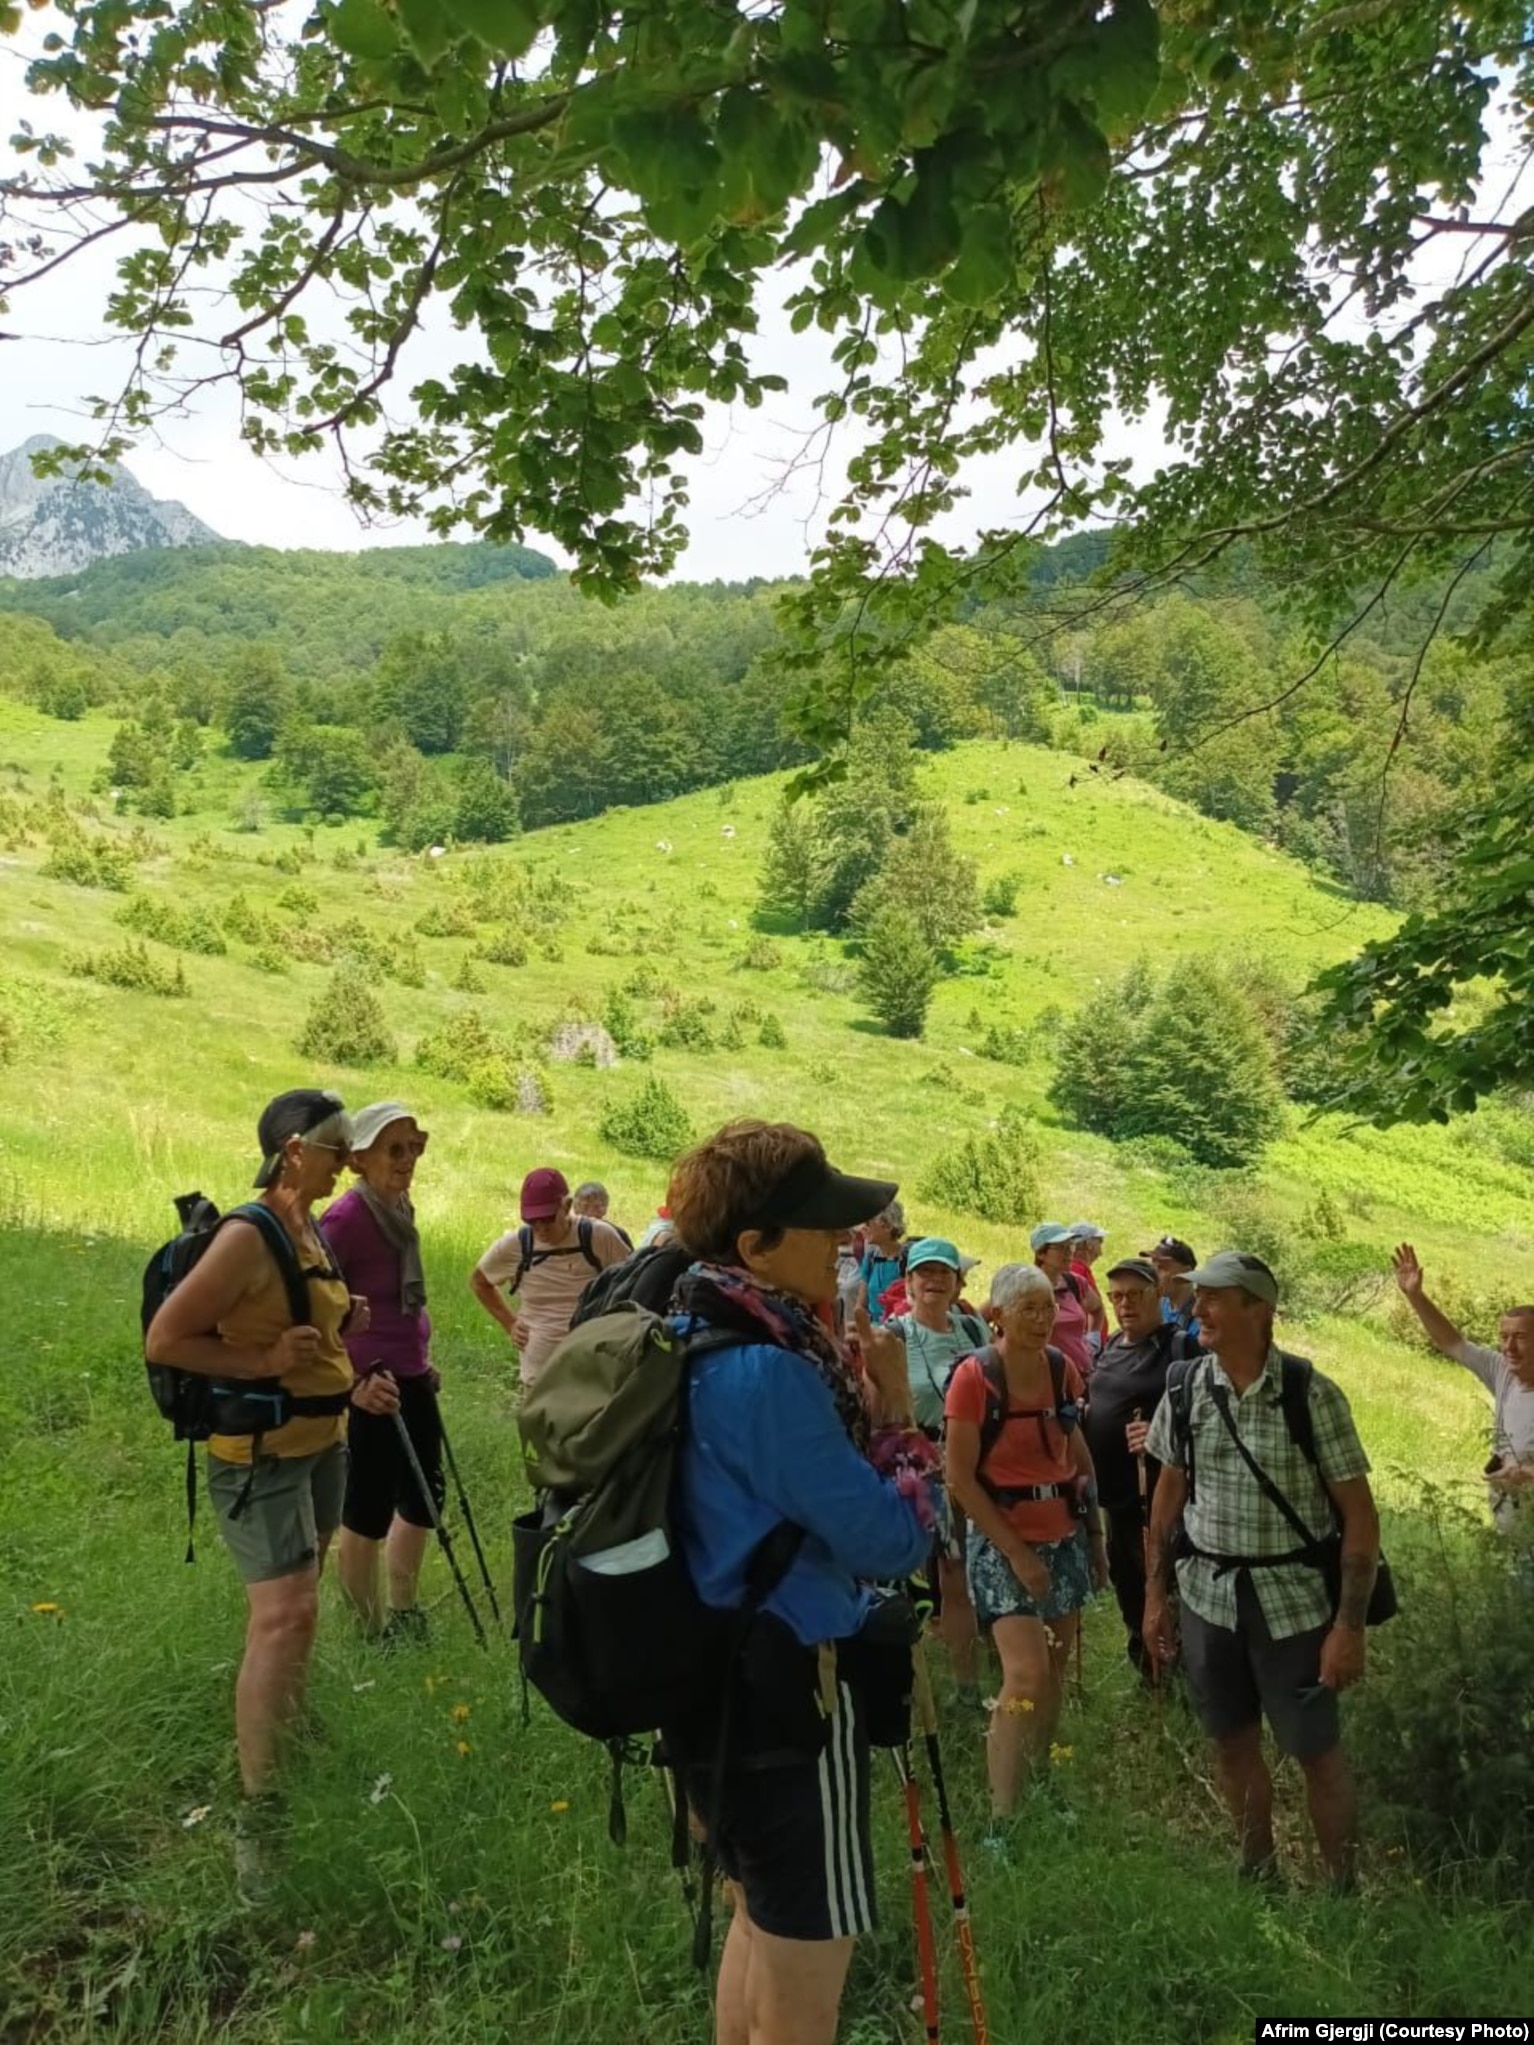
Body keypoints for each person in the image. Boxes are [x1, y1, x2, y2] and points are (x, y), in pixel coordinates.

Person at [664, 1120, 940, 2045]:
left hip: (707, 1684)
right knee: (810, 1955)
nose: (845, 1241)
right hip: (791, 1699)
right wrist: (899, 1415)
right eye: (820, 1226)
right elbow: (890, 1539)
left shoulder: (685, 1335)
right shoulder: (767, 1373)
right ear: (754, 1248)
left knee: (761, 1918)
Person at [143, 1089, 399, 1892]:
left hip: (320, 1442)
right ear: (294, 1149)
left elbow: (295, 1321)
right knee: (282, 1613)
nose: (346, 1160)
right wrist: (260, 1365)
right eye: (335, 1147)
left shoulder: (306, 1225)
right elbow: (169, 1338)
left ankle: (287, 1729)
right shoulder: (247, 1234)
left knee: (303, 1603)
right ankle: (259, 1809)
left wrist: (339, 1324)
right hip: (260, 1456)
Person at [1143, 1251, 1380, 1887]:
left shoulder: (1311, 1394)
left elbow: (1359, 1516)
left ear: (1260, 1310)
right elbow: (1168, 1495)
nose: (1198, 1310)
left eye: (1215, 1298)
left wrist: (1349, 1627)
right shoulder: (1185, 1385)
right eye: (1199, 1298)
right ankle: (1259, 1875)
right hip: (1207, 1600)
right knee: (1231, 1742)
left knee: (1317, 1754)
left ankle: (1340, 1893)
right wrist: (1155, 1596)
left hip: (1296, 1607)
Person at [945, 1263, 1106, 1827]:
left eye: (1047, 1307)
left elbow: (1074, 1451)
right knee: (1026, 1675)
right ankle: (1001, 1817)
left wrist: (1095, 1537)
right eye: (1028, 1309)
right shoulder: (974, 1378)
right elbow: (959, 1477)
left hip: (1063, 1534)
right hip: (1002, 1542)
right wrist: (1016, 1553)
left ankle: (1039, 1781)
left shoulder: (1061, 1370)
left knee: (1055, 1671)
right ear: (998, 1316)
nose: (1042, 1319)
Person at [325, 1101, 440, 1644]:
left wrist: (423, 1354)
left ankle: (403, 1609)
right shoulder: (347, 1217)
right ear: (361, 1159)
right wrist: (351, 1384)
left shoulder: (400, 1208)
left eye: (413, 1149)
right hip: (371, 1384)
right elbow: (316, 1303)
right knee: (367, 1511)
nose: (407, 1159)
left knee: (424, 1499)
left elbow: (402, 1300)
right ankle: (367, 1630)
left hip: (412, 1375)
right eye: (394, 1150)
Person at [884, 1237, 990, 1700]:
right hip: (920, 1469)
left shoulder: (972, 1330)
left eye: (943, 1273)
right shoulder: (894, 1336)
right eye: (924, 1273)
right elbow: (880, 1411)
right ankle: (905, 1681)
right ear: (908, 1282)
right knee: (932, 1570)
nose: (933, 1281)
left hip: (978, 1463)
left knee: (964, 1569)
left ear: (956, 1282)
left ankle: (967, 1684)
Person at [1083, 1256, 1192, 1677]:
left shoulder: (1179, 1348)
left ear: (1157, 1293)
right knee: (1130, 1590)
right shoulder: (1111, 1347)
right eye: (1117, 1297)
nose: (1124, 1304)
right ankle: (1149, 1676)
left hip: (1157, 1499)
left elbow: (1205, 1411)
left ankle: (1179, 1679)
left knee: (1162, 1591)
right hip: (1116, 1501)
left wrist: (1161, 1431)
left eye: (1135, 1295)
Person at [1391, 1244, 1534, 1538]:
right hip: (1510, 1534)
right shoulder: (1503, 1372)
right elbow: (1453, 1344)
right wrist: (1415, 1297)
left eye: (1520, 1337)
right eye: (1504, 1337)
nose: (1509, 1347)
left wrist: (1527, 1475)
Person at [471, 1166, 629, 1386]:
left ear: (566, 1206)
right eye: (533, 1222)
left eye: (547, 1219)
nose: (541, 1229)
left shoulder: (597, 1236)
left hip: (592, 1372)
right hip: (538, 1376)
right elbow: (479, 1282)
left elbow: (632, 1281)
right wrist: (510, 1323)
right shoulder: (516, 1244)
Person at [1031, 1222, 1098, 1377]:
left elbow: (1097, 1309)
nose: (1069, 1253)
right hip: (1048, 1380)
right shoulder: (1024, 1286)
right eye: (1061, 1247)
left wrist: (1093, 1339)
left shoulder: (1075, 1282)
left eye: (1071, 1246)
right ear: (1041, 1253)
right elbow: (987, 1313)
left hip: (1084, 1375)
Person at [855, 1200, 907, 1323]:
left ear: (887, 1226)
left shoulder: (907, 1260)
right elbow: (860, 1305)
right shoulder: (871, 1258)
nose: (863, 1228)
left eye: (868, 1223)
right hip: (874, 1331)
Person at [1148, 1234, 1200, 1338]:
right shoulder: (1157, 1305)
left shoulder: (1201, 1317)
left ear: (1186, 1273)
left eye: (1162, 1267)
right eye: (1152, 1266)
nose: (1153, 1274)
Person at [1069, 1221, 1109, 1349]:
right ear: (1088, 1244)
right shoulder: (1077, 1272)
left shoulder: (1079, 1270)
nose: (1101, 1251)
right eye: (1100, 1241)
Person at [573, 1178, 634, 1248]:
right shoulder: (568, 1234)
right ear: (575, 1207)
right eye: (585, 1207)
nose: (591, 1213)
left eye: (597, 1207)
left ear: (605, 1208)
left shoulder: (616, 1234)